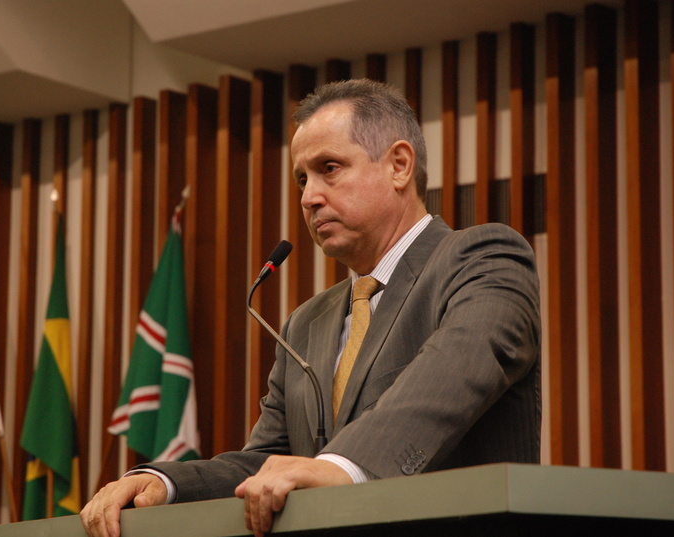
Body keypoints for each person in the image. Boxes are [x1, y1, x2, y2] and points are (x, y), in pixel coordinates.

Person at [81, 79, 541, 537]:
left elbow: (455, 370)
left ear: (399, 165)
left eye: (329, 168)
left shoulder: (483, 258)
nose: (308, 197)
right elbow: (269, 463)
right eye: (302, 179)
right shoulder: (306, 323)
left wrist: (344, 465)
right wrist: (165, 483)